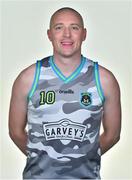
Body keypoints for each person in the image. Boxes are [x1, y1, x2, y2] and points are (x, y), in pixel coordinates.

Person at [9, 7, 121, 179]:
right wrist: (45, 157)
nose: (67, 34)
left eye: (74, 27)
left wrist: (82, 157)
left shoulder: (104, 80)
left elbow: (113, 135)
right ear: (49, 34)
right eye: (59, 27)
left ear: (84, 34)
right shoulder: (28, 78)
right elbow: (15, 132)